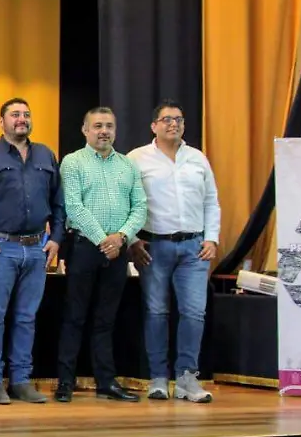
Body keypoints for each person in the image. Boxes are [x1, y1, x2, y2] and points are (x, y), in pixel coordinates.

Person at [0, 98, 64, 405]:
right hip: (0, 247)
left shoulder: (45, 154)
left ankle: (22, 380)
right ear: (1, 122)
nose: (21, 119)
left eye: (26, 114)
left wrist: (57, 237)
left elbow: (58, 202)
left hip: (37, 248)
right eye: (14, 115)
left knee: (26, 317)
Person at [128, 100, 221, 403]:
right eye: (167, 120)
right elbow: (125, 203)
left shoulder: (197, 158)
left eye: (179, 120)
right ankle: (157, 378)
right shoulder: (136, 159)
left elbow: (211, 202)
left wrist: (212, 239)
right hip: (153, 246)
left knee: (194, 312)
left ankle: (186, 379)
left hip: (194, 248)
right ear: (153, 126)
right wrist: (131, 241)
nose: (174, 124)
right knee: (156, 312)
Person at [56, 106, 147, 403]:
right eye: (97, 126)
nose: (103, 131)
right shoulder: (73, 162)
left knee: (106, 319)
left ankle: (106, 382)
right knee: (74, 317)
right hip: (84, 248)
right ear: (85, 130)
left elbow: (140, 208)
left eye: (109, 125)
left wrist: (120, 239)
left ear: (115, 131)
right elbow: (73, 206)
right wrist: (103, 241)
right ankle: (65, 383)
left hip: (118, 251)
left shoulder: (127, 165)